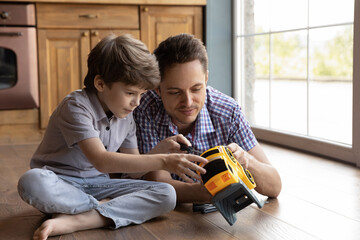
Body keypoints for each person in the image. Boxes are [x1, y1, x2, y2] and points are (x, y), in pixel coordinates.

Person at [17, 34, 207, 240]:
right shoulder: (76, 106)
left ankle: (78, 218)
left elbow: (132, 173)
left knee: (167, 194)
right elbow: (101, 161)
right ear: (100, 83)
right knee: (31, 181)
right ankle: (101, 209)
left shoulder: (126, 115)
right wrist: (164, 161)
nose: (137, 102)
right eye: (130, 93)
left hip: (100, 186)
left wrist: (158, 151)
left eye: (142, 94)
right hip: (60, 183)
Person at [133, 33, 282, 203]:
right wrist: (210, 193)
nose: (188, 102)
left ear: (206, 78)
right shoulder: (145, 108)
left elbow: (274, 186)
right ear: (157, 89)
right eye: (175, 92)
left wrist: (246, 161)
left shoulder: (228, 111)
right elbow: (159, 182)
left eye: (196, 89)